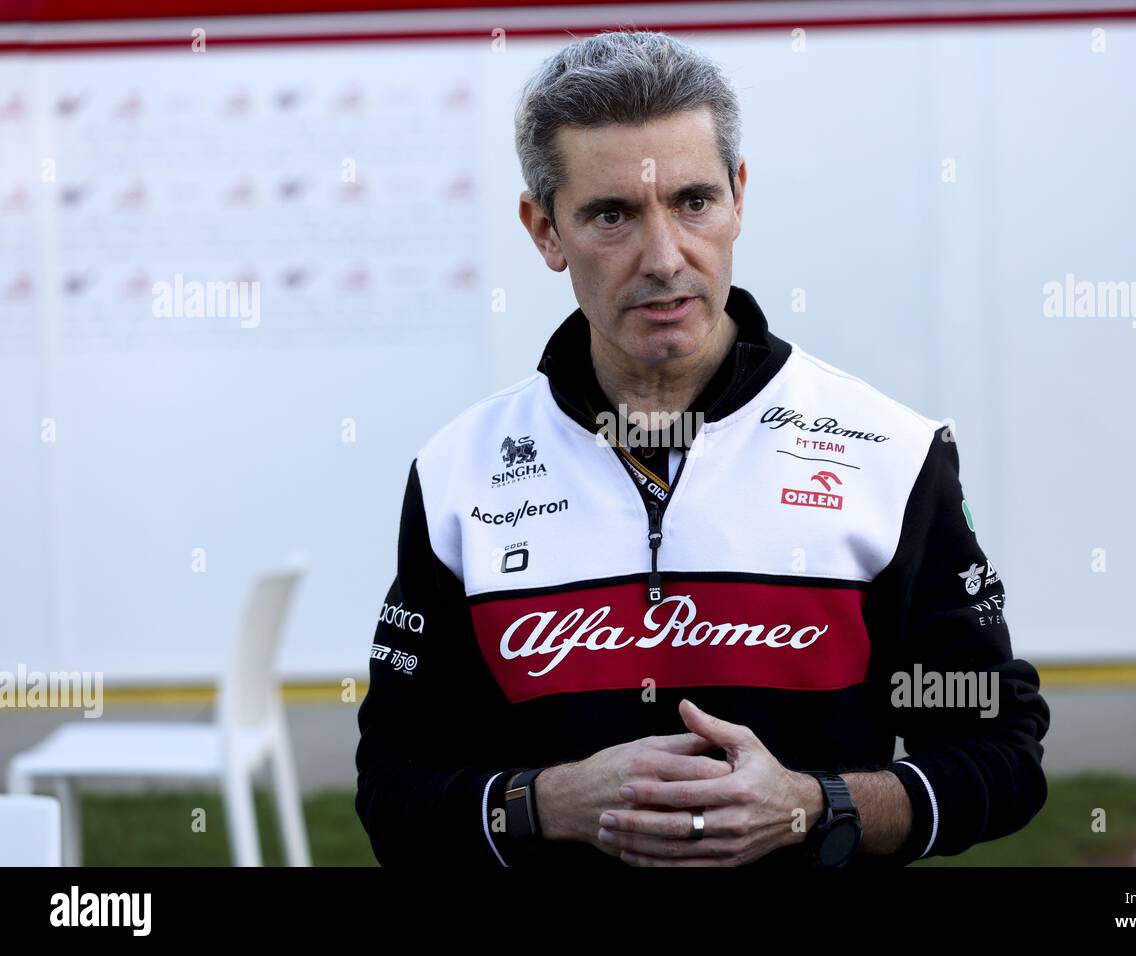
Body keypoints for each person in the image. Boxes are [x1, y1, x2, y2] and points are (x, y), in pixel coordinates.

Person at [355, 30, 1048, 869]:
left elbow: (1003, 759)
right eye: (612, 215)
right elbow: (392, 789)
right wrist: (544, 804)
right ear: (545, 231)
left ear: (739, 197)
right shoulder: (458, 474)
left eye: (692, 202)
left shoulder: (891, 453)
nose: (664, 258)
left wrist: (815, 806)